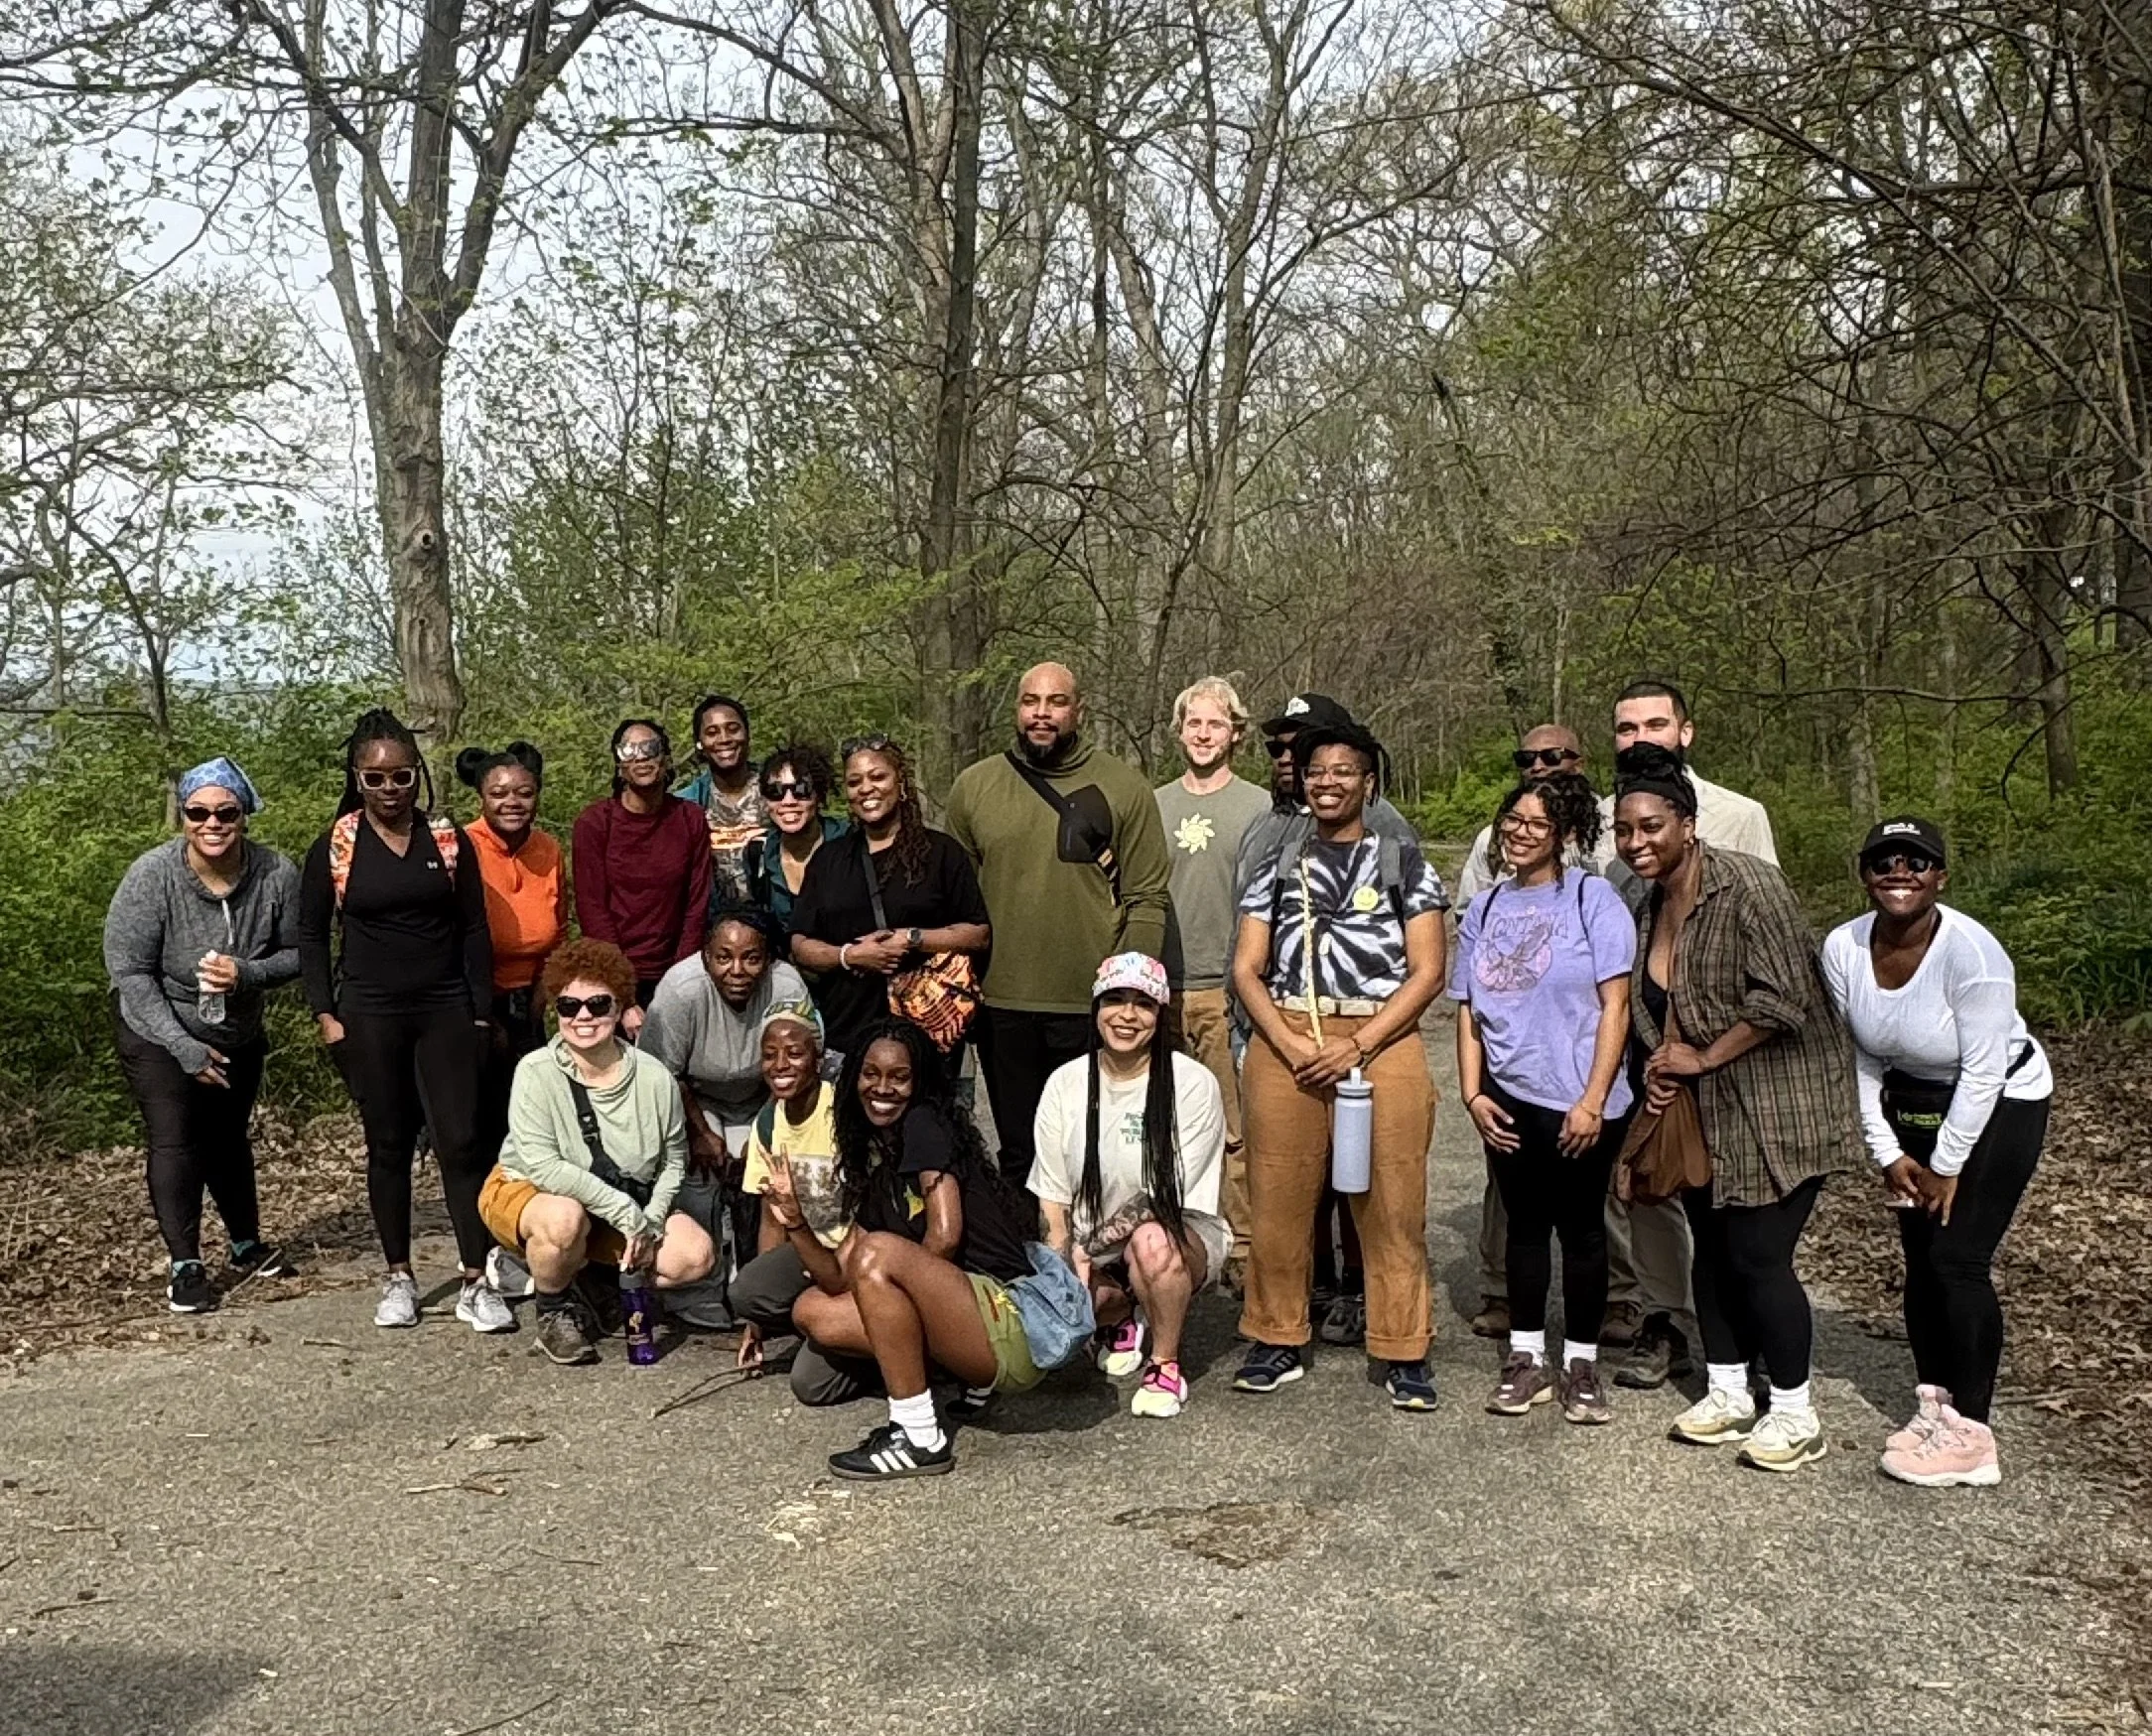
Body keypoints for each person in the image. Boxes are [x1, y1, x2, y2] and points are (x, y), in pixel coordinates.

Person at [1613, 744, 1862, 1473]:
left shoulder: (1751, 886)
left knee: (1759, 1255)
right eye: (1626, 830)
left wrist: (1702, 1056)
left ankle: (1794, 1408)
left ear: (1687, 822)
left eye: (1652, 826)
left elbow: (1783, 997)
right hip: (1703, 1113)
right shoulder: (1645, 901)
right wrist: (1664, 1067)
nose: (1638, 843)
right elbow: (1653, 1006)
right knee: (1713, 1252)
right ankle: (1726, 1390)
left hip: (1779, 1104)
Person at [1820, 817, 2054, 1488]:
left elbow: (1983, 1071)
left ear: (1940, 877)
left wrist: (1947, 1162)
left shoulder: (1973, 955)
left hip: (2002, 1097)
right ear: (1864, 873)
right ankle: (1936, 1405)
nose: (1900, 871)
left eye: (1917, 861)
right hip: (1909, 1100)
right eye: (1884, 860)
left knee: (1958, 1256)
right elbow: (1858, 1052)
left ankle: (1974, 1435)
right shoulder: (1843, 947)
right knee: (1920, 1258)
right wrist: (1887, 1149)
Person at [1229, 719, 1448, 1409]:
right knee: (1279, 1196)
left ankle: (1403, 1345)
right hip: (1289, 1034)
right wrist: (1291, 1045)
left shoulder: (1405, 860)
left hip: (1380, 1034)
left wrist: (1358, 1044)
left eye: (1343, 771)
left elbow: (1430, 969)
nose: (1327, 782)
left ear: (1368, 782)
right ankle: (1276, 1334)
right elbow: (1246, 967)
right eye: (1316, 770)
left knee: (1392, 1196)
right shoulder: (1276, 865)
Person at [1596, 680, 1778, 1389]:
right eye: (1625, 725)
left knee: (1730, 1193)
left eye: (1655, 722)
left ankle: (1750, 1342)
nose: (1639, 735)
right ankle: (1666, 1319)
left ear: (1687, 731)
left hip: (1726, 1040)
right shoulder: (1606, 830)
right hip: (1644, 1029)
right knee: (1651, 1182)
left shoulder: (1739, 815)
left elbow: (1769, 932)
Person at [299, 709, 505, 1333]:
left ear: (419, 777)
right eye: (376, 779)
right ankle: (399, 1276)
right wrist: (325, 1014)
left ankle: (475, 1278)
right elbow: (311, 932)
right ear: (357, 779)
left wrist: (478, 1013)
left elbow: (473, 927)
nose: (390, 790)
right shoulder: (336, 844)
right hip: (370, 1012)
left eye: (401, 777)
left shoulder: (445, 840)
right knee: (387, 1145)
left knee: (461, 1143)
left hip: (444, 1008)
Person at [765, 1019, 1038, 1479]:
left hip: (1009, 1320)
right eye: (870, 1074)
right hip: (970, 1331)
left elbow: (946, 1234)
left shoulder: (924, 1124)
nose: (882, 1088)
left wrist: (897, 1290)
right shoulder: (875, 1160)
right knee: (813, 1308)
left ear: (919, 1082)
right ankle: (953, 1378)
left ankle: (918, 1435)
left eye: (899, 1076)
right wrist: (793, 1219)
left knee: (878, 1254)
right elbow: (837, 1278)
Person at [1450, 772, 1633, 1425]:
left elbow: (1616, 1005)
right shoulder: (1485, 908)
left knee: (1582, 1231)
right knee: (1523, 1228)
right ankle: (1526, 1357)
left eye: (1535, 824)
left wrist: (1593, 1097)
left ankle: (1581, 1363)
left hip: (1583, 1098)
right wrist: (1472, 1092)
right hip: (1508, 1094)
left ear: (1564, 833)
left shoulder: (1594, 900)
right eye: (1512, 820)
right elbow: (1467, 1008)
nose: (1518, 833)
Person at [946, 662, 1171, 1188]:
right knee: (1021, 1153)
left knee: (1095, 1151)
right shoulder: (975, 787)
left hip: (1090, 1006)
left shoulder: (1123, 787)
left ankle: (1097, 1265)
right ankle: (1029, 1262)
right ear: (1017, 709)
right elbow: (956, 902)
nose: (1041, 714)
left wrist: (1129, 996)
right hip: (1001, 1006)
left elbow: (1146, 897)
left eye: (1056, 702)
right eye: (1030, 702)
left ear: (1079, 710)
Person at [104, 756, 304, 1313]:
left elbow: (301, 956)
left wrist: (250, 973)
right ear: (183, 817)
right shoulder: (153, 875)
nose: (211, 823)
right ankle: (185, 1264)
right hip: (158, 1024)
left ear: (244, 815)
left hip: (236, 1026)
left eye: (225, 812)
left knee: (229, 1136)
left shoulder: (275, 875)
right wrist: (184, 1047)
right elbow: (129, 971)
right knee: (176, 1137)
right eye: (198, 812)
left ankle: (245, 1244)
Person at [476, 939, 716, 1366]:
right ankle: (553, 1309)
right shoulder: (535, 1072)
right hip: (532, 1190)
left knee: (693, 1256)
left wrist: (652, 1220)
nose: (583, 1016)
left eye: (597, 1004)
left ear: (620, 1007)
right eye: (569, 1006)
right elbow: (544, 1167)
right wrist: (628, 1215)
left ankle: (593, 1282)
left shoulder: (655, 1077)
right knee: (564, 1218)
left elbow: (674, 1158)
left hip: (620, 1197)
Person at [1029, 953, 1228, 1419]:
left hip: (1177, 1232)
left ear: (1160, 1015)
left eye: (1143, 1004)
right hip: (1089, 1241)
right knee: (1048, 1309)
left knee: (1151, 1242)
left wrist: (1087, 1247)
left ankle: (1164, 1362)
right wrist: (1063, 1265)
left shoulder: (1193, 1084)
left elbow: (1166, 1195)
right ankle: (1120, 1314)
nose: (1127, 1015)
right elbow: (1052, 1197)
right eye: (1114, 1000)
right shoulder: (1065, 1082)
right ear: (1096, 1008)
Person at [1450, 722, 1591, 1342]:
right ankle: (1505, 1296)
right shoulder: (1493, 844)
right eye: (1527, 757)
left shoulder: (1610, 836)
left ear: (1579, 760)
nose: (1540, 764)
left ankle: (1613, 1305)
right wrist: (1472, 1085)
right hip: (1509, 1050)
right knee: (1512, 1200)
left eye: (1553, 756)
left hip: (1584, 1048)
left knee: (1595, 1204)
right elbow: (1471, 965)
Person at [638, 904, 808, 1325]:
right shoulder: (681, 991)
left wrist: (764, 1133)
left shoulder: (787, 986)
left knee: (772, 1173)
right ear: (704, 957)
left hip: (765, 1097)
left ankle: (762, 1283)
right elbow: (661, 1074)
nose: (737, 970)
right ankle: (698, 1288)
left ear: (769, 960)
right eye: (723, 957)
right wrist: (698, 1133)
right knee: (698, 1174)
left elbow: (797, 1069)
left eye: (752, 958)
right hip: (694, 1098)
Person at [1152, 676, 1269, 1284]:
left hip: (1225, 991)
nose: (1203, 734)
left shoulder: (1256, 808)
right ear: (1178, 731)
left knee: (1233, 1128)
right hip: (1160, 991)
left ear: (1236, 733)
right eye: (1193, 723)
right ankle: (1171, 1238)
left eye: (1216, 724)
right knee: (1163, 1124)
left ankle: (1245, 1250)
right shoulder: (1154, 804)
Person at [791, 734, 991, 1082]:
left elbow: (978, 934)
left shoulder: (942, 853)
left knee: (931, 1134)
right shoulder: (830, 859)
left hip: (930, 1036)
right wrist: (848, 956)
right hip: (849, 1036)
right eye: (855, 782)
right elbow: (800, 943)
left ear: (900, 784)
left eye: (877, 777)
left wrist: (912, 939)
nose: (866, 788)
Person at [726, 998, 880, 1404]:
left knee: (811, 1384)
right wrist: (756, 1324)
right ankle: (834, 1326)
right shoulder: (767, 1124)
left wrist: (848, 1269)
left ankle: (877, 1334)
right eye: (770, 1055)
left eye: (795, 1053)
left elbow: (877, 1204)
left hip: (859, 1251)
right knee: (747, 1294)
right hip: (810, 1253)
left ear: (817, 1059)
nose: (781, 1065)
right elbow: (772, 1220)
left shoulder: (843, 1112)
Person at [574, 719, 713, 1012]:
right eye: (628, 750)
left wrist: (679, 983)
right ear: (618, 765)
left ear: (665, 757)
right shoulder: (594, 823)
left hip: (678, 971)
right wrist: (623, 995)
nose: (641, 757)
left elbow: (696, 905)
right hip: (612, 974)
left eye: (650, 748)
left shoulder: (690, 819)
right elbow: (592, 909)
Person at [742, 742, 848, 930]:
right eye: (775, 792)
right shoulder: (759, 853)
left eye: (801, 790)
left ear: (819, 795)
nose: (788, 801)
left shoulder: (850, 842)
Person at [675, 694, 765, 907]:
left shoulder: (778, 791)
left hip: (775, 921)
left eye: (733, 729)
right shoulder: (685, 805)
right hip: (713, 925)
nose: (724, 739)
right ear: (699, 743)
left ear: (747, 734)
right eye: (712, 732)